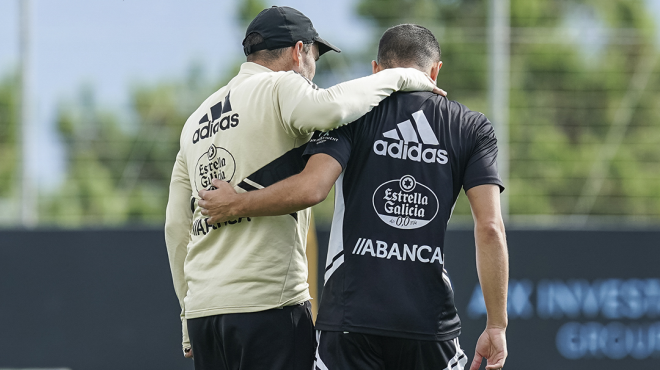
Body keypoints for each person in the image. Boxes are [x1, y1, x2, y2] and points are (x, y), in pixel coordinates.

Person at [198, 24, 509, 370]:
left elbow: (311, 188)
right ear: (435, 71)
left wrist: (236, 202)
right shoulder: (472, 127)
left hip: (349, 319)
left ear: (376, 71)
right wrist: (496, 325)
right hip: (429, 323)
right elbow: (491, 228)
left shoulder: (351, 113)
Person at [164, 6, 445, 370]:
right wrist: (403, 77)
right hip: (267, 304)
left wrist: (187, 316)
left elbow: (176, 227)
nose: (314, 69)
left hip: (204, 314)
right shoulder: (281, 85)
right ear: (298, 52)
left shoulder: (195, 120)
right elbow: (331, 108)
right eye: (315, 56)